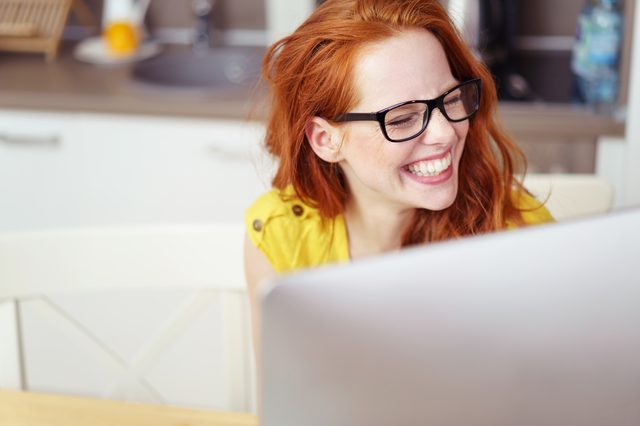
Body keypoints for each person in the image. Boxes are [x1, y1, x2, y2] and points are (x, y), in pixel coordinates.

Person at [244, 0, 553, 351]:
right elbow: (281, 399)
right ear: (326, 140)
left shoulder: (517, 235)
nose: (446, 133)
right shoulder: (282, 236)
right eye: (403, 118)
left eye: (450, 98)